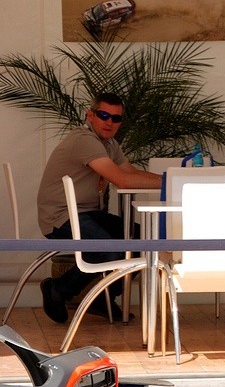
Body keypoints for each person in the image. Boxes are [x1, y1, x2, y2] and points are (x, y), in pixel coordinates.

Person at [35, 93, 163, 323]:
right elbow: (122, 180)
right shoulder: (84, 140)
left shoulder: (109, 144)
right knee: (108, 249)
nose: (109, 122)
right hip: (60, 217)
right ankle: (58, 289)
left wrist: (169, 179)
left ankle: (103, 298)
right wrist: (170, 183)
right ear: (90, 115)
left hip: (87, 214)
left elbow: (130, 172)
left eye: (116, 118)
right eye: (104, 115)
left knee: (144, 240)